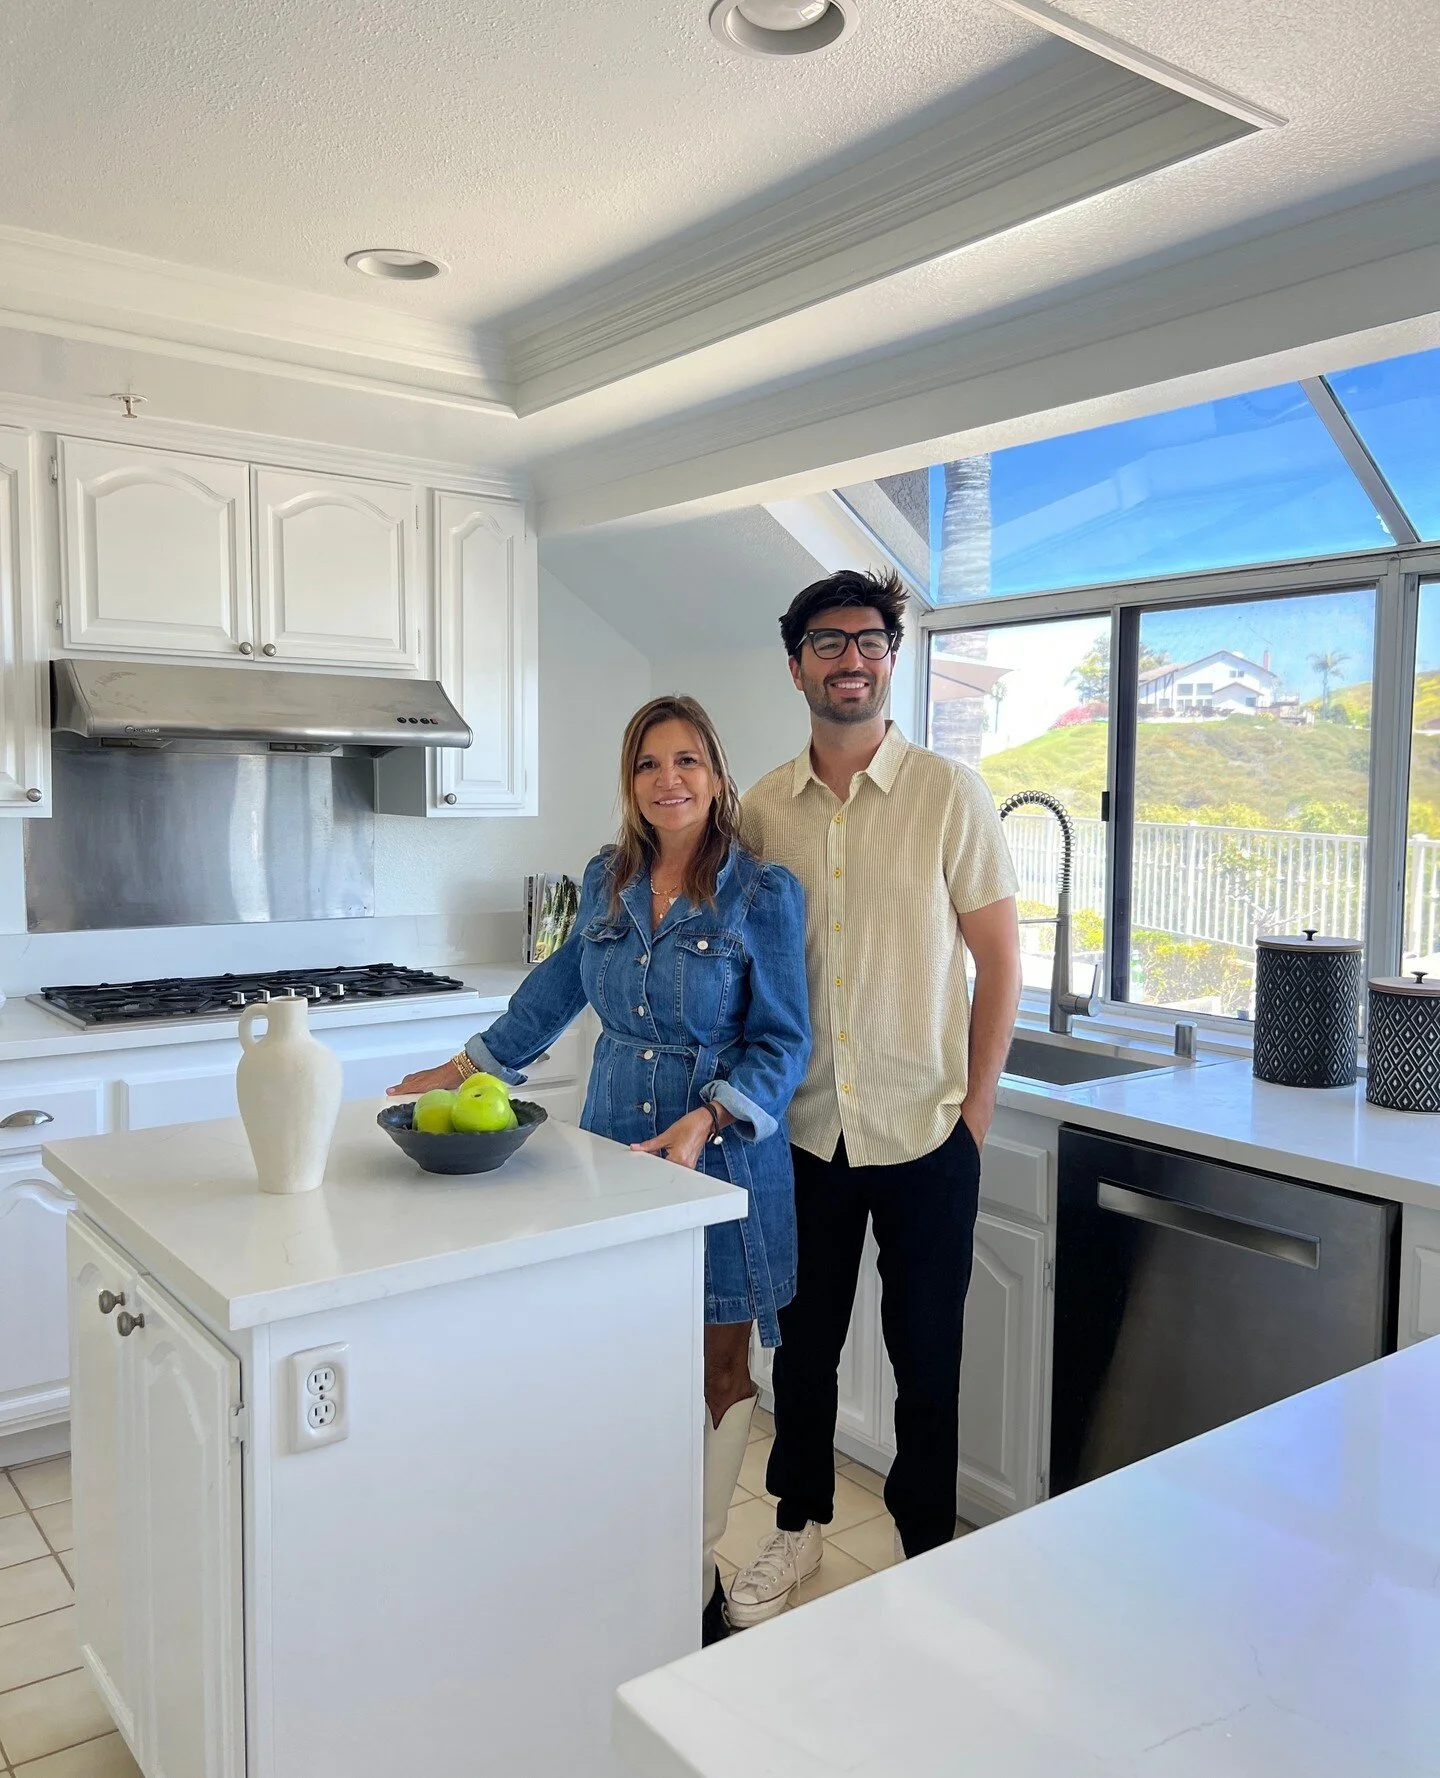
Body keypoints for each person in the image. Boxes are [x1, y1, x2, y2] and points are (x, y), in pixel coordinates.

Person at [389, 694, 811, 1647]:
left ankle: (691, 1571)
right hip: (614, 1145)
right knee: (622, 1351)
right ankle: (625, 1542)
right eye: (649, 764)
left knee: (715, 1363)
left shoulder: (762, 893)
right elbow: (551, 992)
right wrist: (464, 1068)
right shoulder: (607, 881)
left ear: (717, 774)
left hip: (722, 1158)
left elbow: (785, 1041)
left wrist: (711, 1116)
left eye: (688, 761)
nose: (669, 780)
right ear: (630, 782)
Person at [726, 568, 1022, 1626]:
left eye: (870, 640)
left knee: (925, 1360)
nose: (850, 658)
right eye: (827, 641)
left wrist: (975, 1114)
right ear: (796, 660)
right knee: (800, 1352)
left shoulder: (950, 794)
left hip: (926, 1129)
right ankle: (796, 1528)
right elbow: (748, 974)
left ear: (891, 657)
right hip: (803, 1132)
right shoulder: (760, 809)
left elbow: (998, 963)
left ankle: (925, 1550)